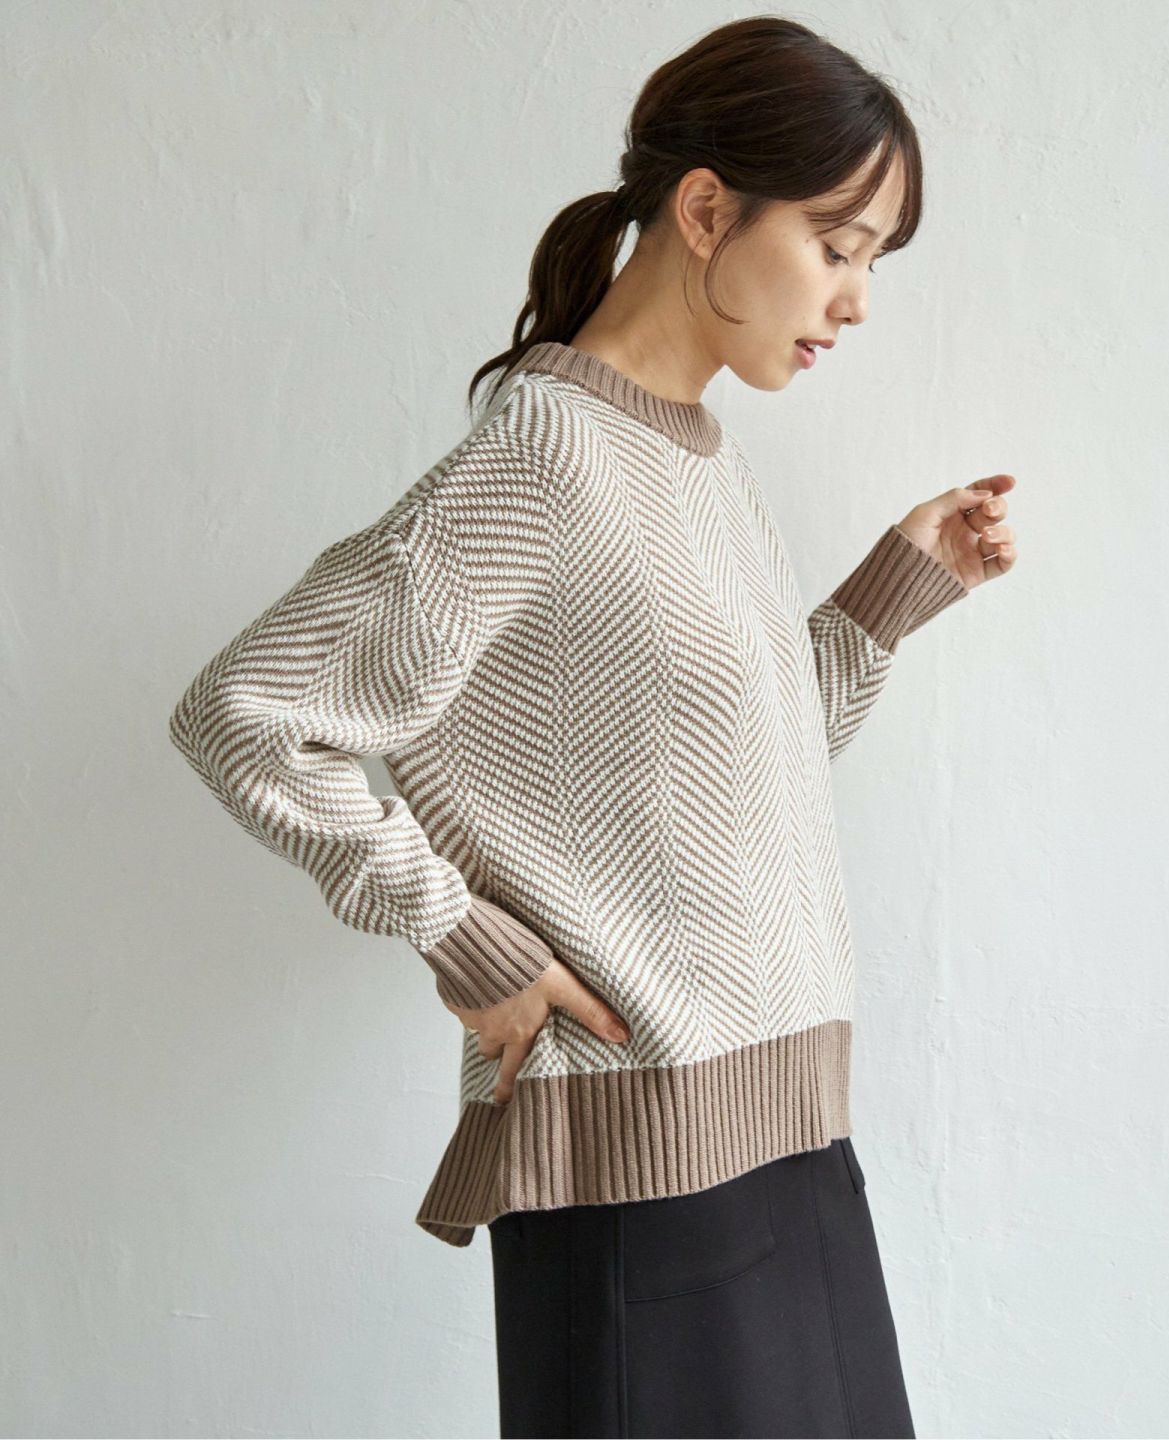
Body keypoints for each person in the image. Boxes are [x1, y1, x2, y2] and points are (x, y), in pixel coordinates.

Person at [168, 13, 1018, 1438]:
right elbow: (244, 714)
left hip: (784, 1136)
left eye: (872, 259)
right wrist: (466, 940)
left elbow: (735, 772)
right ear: (708, 211)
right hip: (644, 1180)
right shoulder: (544, 455)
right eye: (838, 244)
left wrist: (895, 586)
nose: (857, 300)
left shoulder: (698, 459)